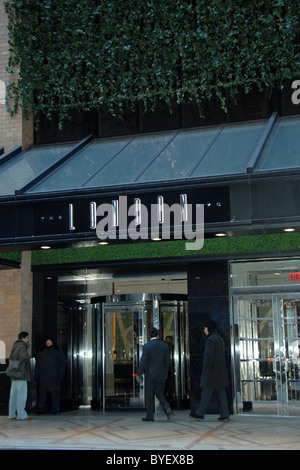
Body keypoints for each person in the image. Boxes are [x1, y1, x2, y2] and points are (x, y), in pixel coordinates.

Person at [190, 320, 230, 422]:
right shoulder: (219, 339)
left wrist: (205, 370)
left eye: (205, 328)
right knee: (221, 394)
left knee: (206, 393)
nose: (204, 331)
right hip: (220, 373)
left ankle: (199, 413)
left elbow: (209, 357)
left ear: (209, 328)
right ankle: (225, 414)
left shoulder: (210, 340)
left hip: (212, 373)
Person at [137, 327, 172, 422]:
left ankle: (150, 415)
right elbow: (168, 361)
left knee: (149, 394)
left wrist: (139, 373)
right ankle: (166, 406)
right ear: (157, 335)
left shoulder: (147, 346)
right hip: (161, 374)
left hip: (150, 374)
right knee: (159, 393)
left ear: (149, 335)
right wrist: (165, 372)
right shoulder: (165, 345)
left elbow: (143, 361)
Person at [35, 338, 65, 415]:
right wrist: (37, 374)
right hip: (44, 377)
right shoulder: (41, 353)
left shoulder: (57, 352)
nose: (48, 342)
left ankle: (56, 409)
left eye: (49, 341)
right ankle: (41, 409)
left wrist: (61, 373)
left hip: (54, 377)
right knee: (43, 394)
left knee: (54, 394)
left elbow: (62, 364)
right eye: (47, 341)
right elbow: (37, 365)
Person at [8, 331, 32, 420]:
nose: (28, 339)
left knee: (13, 395)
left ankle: (12, 414)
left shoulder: (15, 346)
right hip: (21, 373)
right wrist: (29, 357)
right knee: (21, 395)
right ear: (23, 338)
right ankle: (21, 414)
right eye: (27, 338)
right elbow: (24, 358)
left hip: (14, 373)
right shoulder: (22, 346)